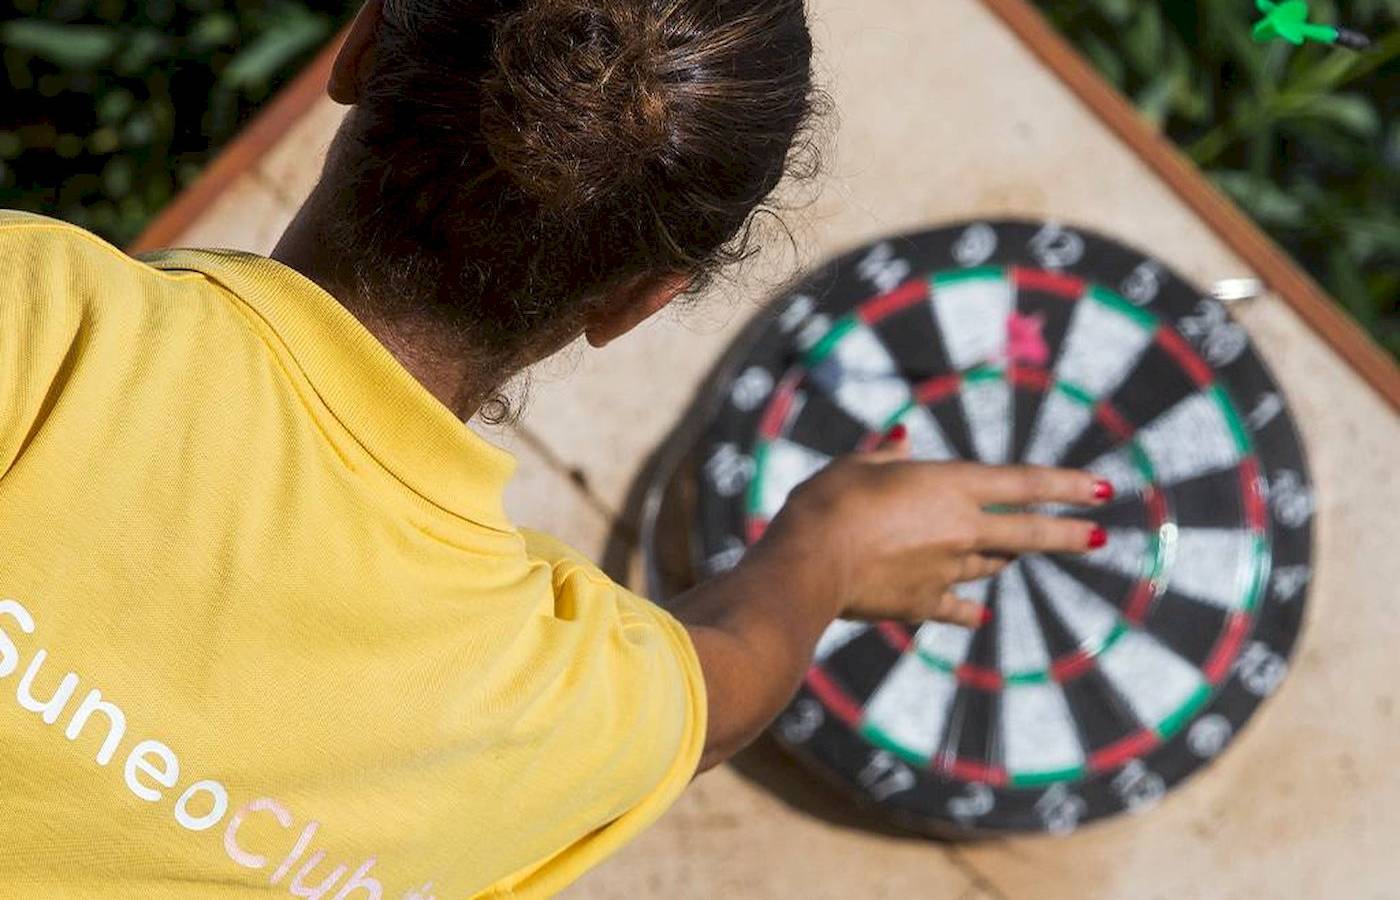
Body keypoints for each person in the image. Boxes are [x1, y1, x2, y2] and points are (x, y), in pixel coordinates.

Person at [0, 0, 1112, 896]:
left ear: (362, 44)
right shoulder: (560, 703)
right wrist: (825, 550)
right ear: (637, 300)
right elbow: (724, 686)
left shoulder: (36, 312)